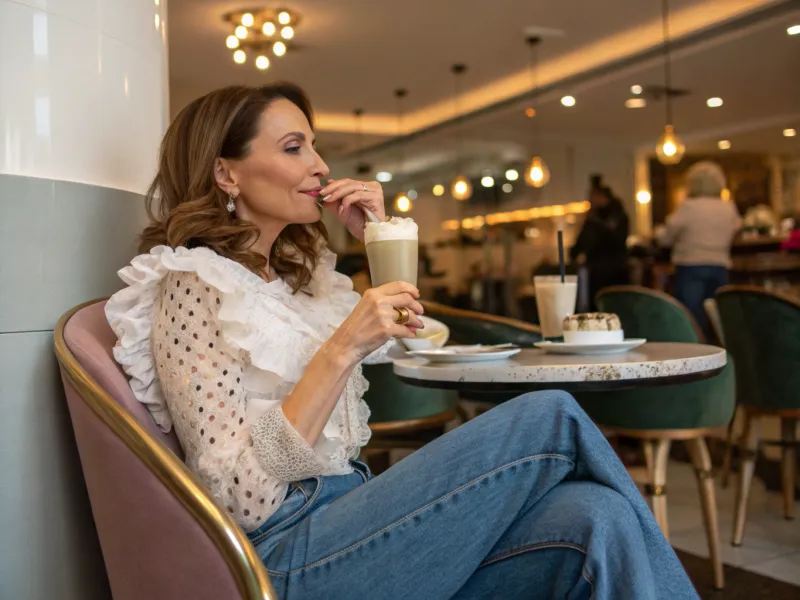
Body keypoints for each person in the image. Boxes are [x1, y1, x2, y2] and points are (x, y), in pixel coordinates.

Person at [105, 84, 697, 599]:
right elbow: (236, 499)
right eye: (293, 148)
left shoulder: (291, 285)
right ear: (225, 172)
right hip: (282, 559)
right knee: (551, 414)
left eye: (313, 144)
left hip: (351, 520)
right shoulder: (190, 283)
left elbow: (408, 336)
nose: (320, 165)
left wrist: (381, 241)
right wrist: (340, 348)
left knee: (600, 515)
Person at [656, 161, 741, 337]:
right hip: (720, 266)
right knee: (718, 318)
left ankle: (696, 355)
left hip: (691, 266)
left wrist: (657, 232)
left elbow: (666, 237)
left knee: (692, 318)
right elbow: (736, 229)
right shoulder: (728, 207)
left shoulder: (688, 207)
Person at [570, 175, 630, 309]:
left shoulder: (613, 218)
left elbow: (616, 241)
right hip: (600, 272)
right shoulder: (597, 218)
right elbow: (580, 245)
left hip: (611, 273)